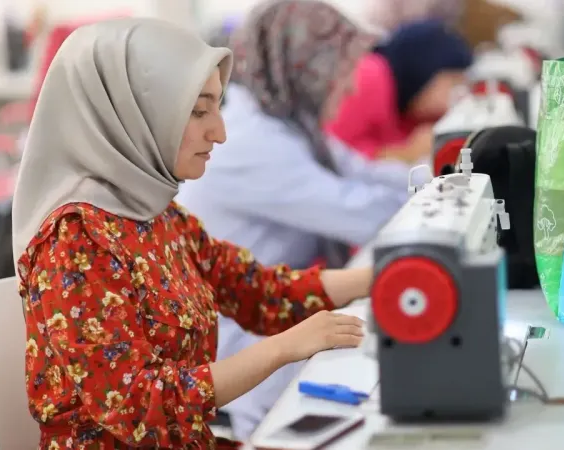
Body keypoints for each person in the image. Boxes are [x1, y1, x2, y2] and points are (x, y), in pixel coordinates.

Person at [13, 17, 370, 450]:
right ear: (132, 113)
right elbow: (138, 407)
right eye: (199, 111)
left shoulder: (158, 217)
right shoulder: (75, 240)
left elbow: (257, 291)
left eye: (217, 108)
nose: (219, 133)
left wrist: (378, 277)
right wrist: (282, 349)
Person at [175, 0, 413, 441]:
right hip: (238, 356)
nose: (350, 87)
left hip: (269, 319)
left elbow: (366, 176)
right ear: (305, 67)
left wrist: (436, 178)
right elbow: (361, 214)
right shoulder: (251, 142)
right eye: (338, 70)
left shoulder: (290, 126)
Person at [325, 19, 473, 162]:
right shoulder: (369, 77)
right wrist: (406, 153)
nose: (456, 94)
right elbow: (334, 154)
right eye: (452, 83)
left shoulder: (410, 103)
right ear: (425, 70)